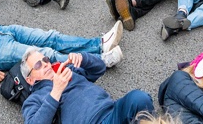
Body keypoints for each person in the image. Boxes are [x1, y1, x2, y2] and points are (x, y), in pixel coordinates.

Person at [20, 48, 154, 124]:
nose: (45, 64)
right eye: (38, 65)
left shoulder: (68, 70)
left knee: (139, 98)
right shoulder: (33, 99)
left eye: (45, 60)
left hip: (111, 112)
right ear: (30, 79)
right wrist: (56, 91)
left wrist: (83, 58)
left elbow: (99, 69)